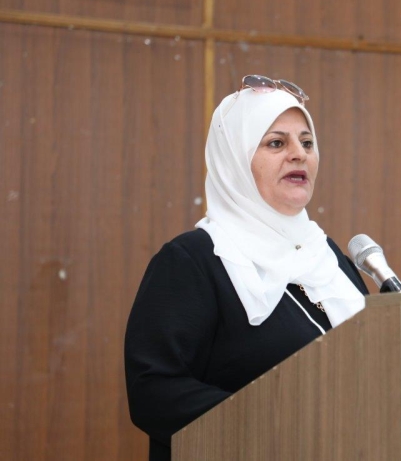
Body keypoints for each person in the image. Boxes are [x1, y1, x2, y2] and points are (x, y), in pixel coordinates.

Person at [124, 75, 368, 461]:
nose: (299, 154)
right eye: (276, 143)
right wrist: (275, 423)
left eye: (307, 143)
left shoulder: (329, 258)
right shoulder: (194, 260)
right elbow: (154, 392)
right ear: (234, 159)